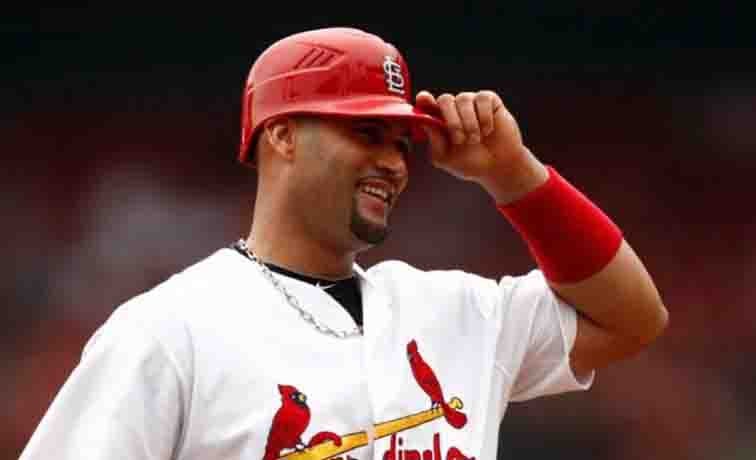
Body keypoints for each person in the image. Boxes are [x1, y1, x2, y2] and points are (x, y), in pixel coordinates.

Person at [20, 27, 668, 460]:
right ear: (281, 136)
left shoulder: (461, 314)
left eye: (400, 142)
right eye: (366, 133)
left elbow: (634, 317)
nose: (394, 161)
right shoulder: (168, 333)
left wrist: (515, 174)